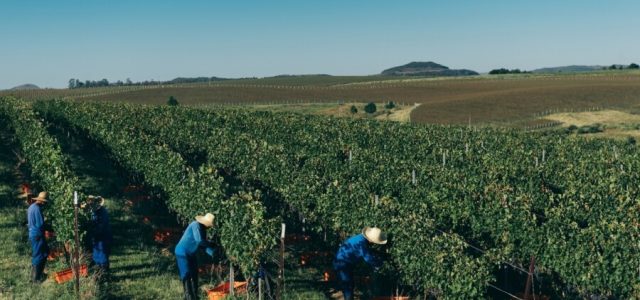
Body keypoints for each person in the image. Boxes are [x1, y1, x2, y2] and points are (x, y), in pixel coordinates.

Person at [333, 227, 387, 300]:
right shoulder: (362, 243)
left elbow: (367, 252)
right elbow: (367, 257)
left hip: (343, 261)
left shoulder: (360, 238)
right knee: (348, 286)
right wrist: (379, 264)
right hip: (343, 263)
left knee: (349, 285)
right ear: (371, 239)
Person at [175, 213, 216, 300]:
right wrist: (211, 244)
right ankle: (188, 296)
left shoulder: (203, 229)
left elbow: (202, 246)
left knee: (194, 273)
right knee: (186, 274)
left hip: (190, 253)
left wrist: (213, 253)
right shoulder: (195, 225)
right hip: (182, 252)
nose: (210, 227)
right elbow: (200, 241)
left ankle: (195, 295)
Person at [27, 191, 49, 283]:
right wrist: (48, 226)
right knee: (38, 255)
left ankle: (39, 273)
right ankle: (35, 279)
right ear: (42, 201)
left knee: (45, 252)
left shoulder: (31, 206)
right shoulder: (37, 209)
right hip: (37, 235)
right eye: (44, 201)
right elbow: (40, 224)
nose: (44, 203)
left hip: (33, 233)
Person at [87, 196, 112, 277]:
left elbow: (100, 227)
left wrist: (92, 231)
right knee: (97, 254)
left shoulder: (102, 212)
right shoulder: (95, 212)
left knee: (102, 254)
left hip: (103, 236)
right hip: (97, 237)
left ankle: (105, 273)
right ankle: (100, 273)